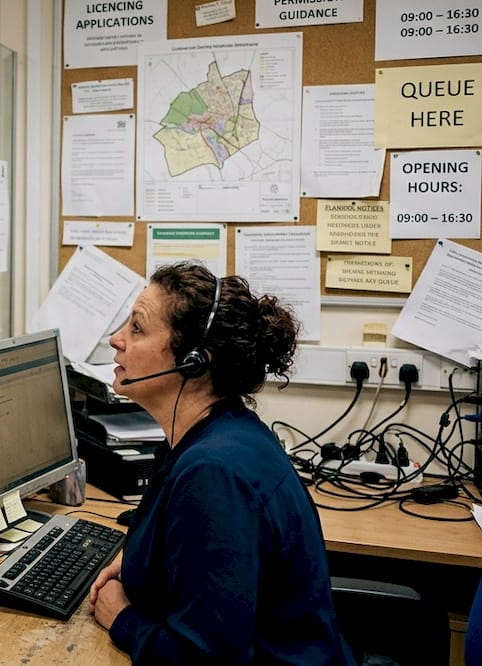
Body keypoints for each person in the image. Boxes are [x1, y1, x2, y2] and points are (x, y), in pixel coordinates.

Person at [88, 263, 353, 665]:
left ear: (193, 362)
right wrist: (143, 561)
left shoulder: (213, 474)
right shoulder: (219, 432)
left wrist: (123, 618)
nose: (116, 339)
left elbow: (203, 660)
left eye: (137, 328)